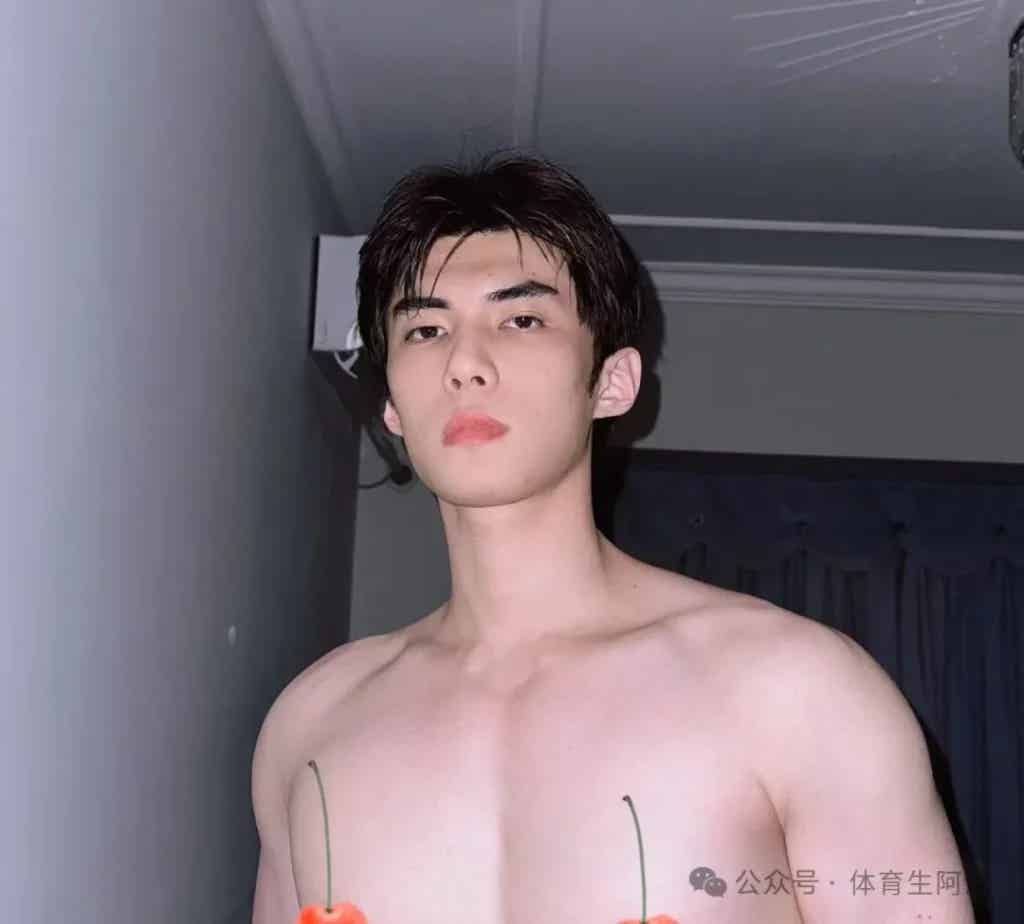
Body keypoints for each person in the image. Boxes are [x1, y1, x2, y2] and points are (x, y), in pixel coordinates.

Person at [251, 152, 975, 923]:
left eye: (521, 319)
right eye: (426, 329)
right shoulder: (310, 723)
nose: (464, 362)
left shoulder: (799, 692)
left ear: (612, 382)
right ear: (392, 405)